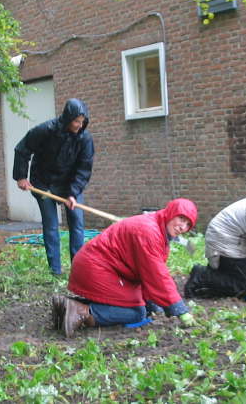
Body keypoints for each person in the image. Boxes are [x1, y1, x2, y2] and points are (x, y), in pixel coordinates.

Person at [54, 198, 198, 337]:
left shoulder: (158, 228)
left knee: (139, 304)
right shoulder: (150, 232)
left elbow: (145, 272)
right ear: (171, 213)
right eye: (181, 219)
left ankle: (68, 306)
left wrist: (153, 304)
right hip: (96, 268)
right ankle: (82, 312)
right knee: (136, 312)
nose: (182, 227)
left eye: (187, 225)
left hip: (101, 266)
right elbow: (157, 276)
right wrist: (179, 309)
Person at [13, 98, 94, 275]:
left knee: (77, 223)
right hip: (44, 183)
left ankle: (78, 270)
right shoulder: (46, 130)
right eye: (76, 121)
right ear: (67, 118)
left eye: (82, 122)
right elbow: (22, 149)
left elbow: (84, 168)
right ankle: (55, 271)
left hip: (70, 185)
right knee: (51, 225)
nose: (79, 125)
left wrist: (73, 193)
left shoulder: (85, 139)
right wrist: (21, 177)